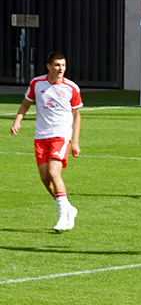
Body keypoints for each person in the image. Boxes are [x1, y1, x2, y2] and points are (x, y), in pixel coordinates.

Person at [10, 51, 82, 232]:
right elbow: (25, 104)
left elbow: (76, 115)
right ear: (48, 66)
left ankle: (62, 216)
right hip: (41, 136)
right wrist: (18, 120)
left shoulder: (71, 88)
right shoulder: (37, 83)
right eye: (57, 65)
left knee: (53, 171)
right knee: (44, 177)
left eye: (63, 65)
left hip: (61, 134)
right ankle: (68, 208)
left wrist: (75, 141)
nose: (61, 69)